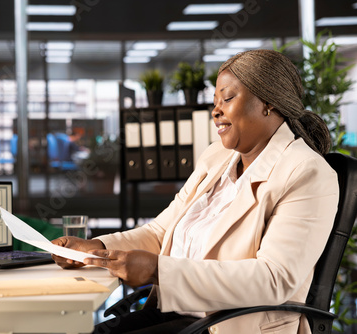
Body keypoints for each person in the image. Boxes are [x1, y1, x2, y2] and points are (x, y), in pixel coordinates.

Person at [51, 50, 339, 334]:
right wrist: (97, 249)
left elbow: (273, 279)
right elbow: (160, 232)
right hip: (176, 314)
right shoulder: (216, 157)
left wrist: (157, 271)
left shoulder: (306, 172)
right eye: (215, 102)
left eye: (227, 98)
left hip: (231, 326)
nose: (215, 111)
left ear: (268, 104)